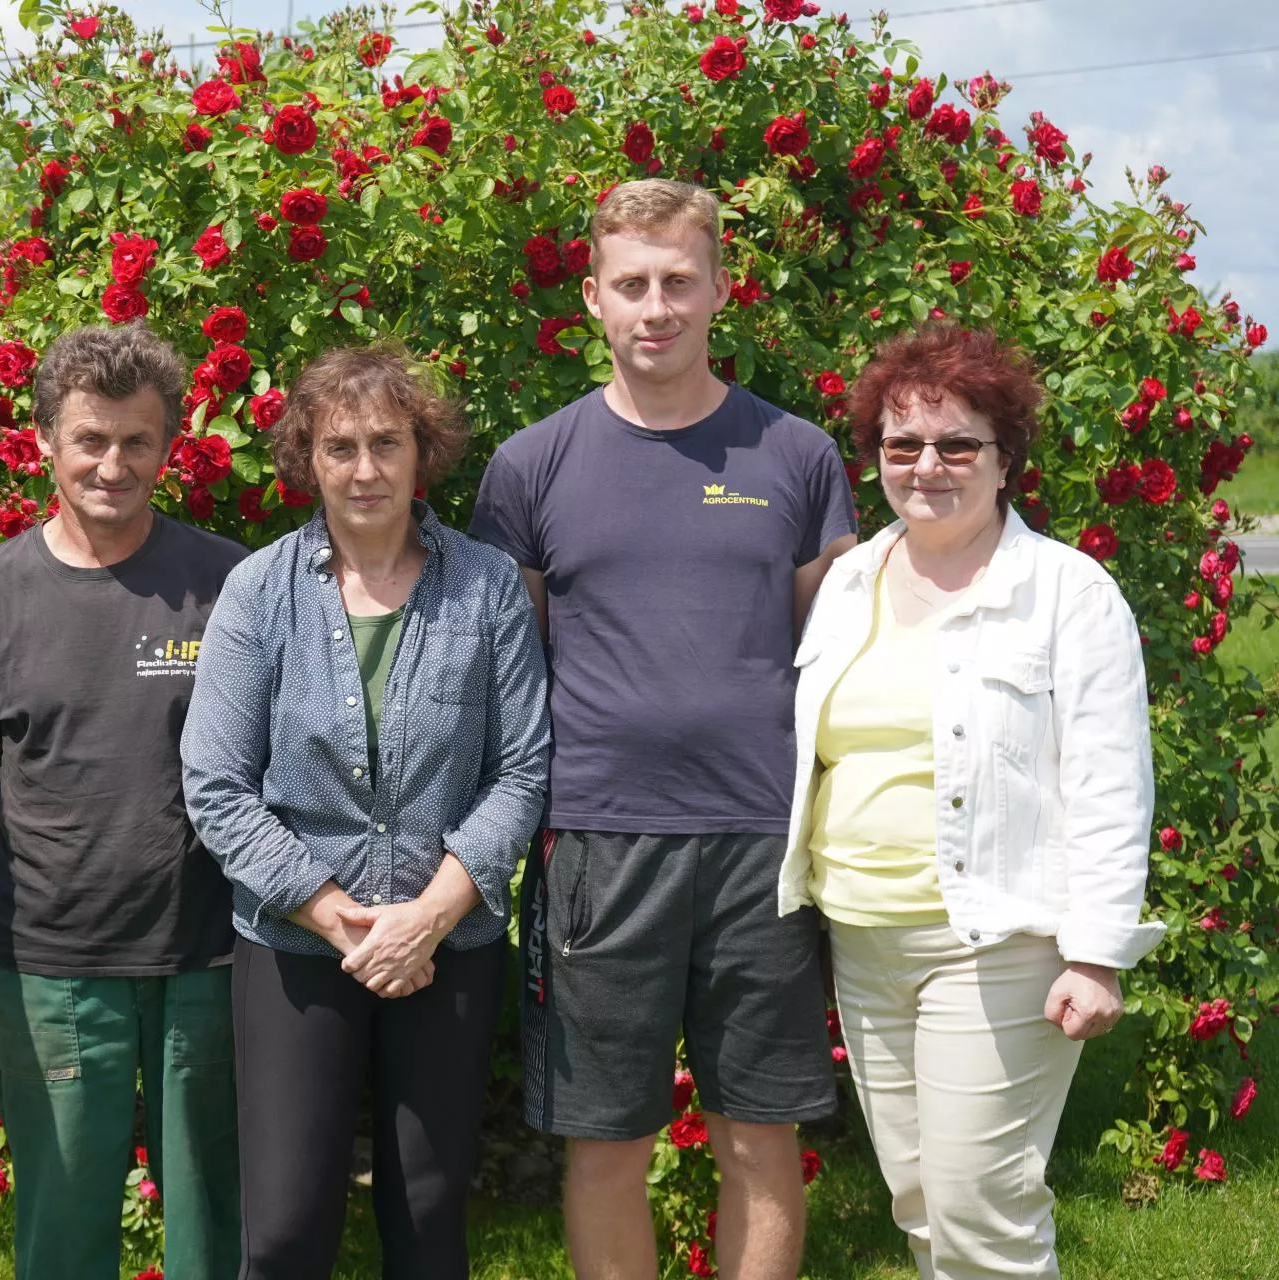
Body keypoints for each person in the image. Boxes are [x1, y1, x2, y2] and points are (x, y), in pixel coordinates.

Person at [469, 178, 858, 1280]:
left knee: (759, 1138)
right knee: (606, 1144)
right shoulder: (532, 464)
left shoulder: (797, 455)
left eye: (679, 281)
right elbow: (513, 661)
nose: (657, 307)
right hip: (597, 841)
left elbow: (829, 653)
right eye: (631, 283)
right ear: (592, 297)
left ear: (721, 289)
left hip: (759, 842)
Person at [779, 323, 1162, 1279]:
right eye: (903, 443)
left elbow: (1111, 780)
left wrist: (1096, 954)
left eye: (957, 445)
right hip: (863, 939)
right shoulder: (850, 581)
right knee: (920, 1202)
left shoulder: (1066, 593)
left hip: (993, 944)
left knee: (979, 1206)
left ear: (1005, 459)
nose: (927, 467)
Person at [180, 346, 550, 1279]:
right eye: (339, 447)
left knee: (428, 1220)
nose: (365, 469)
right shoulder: (259, 591)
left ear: (424, 451)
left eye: (387, 443)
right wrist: (341, 918)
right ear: (307, 460)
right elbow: (216, 783)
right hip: (296, 945)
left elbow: (521, 770)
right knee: (285, 1228)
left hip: (448, 944)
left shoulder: (487, 586)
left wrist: (426, 919)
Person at [0, 323, 246, 1280]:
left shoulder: (230, 583)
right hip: (53, 964)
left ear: (169, 446)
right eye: (90, 439)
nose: (113, 464)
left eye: (137, 441)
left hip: (212, 956)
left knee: (217, 1223)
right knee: (62, 1227)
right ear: (44, 442)